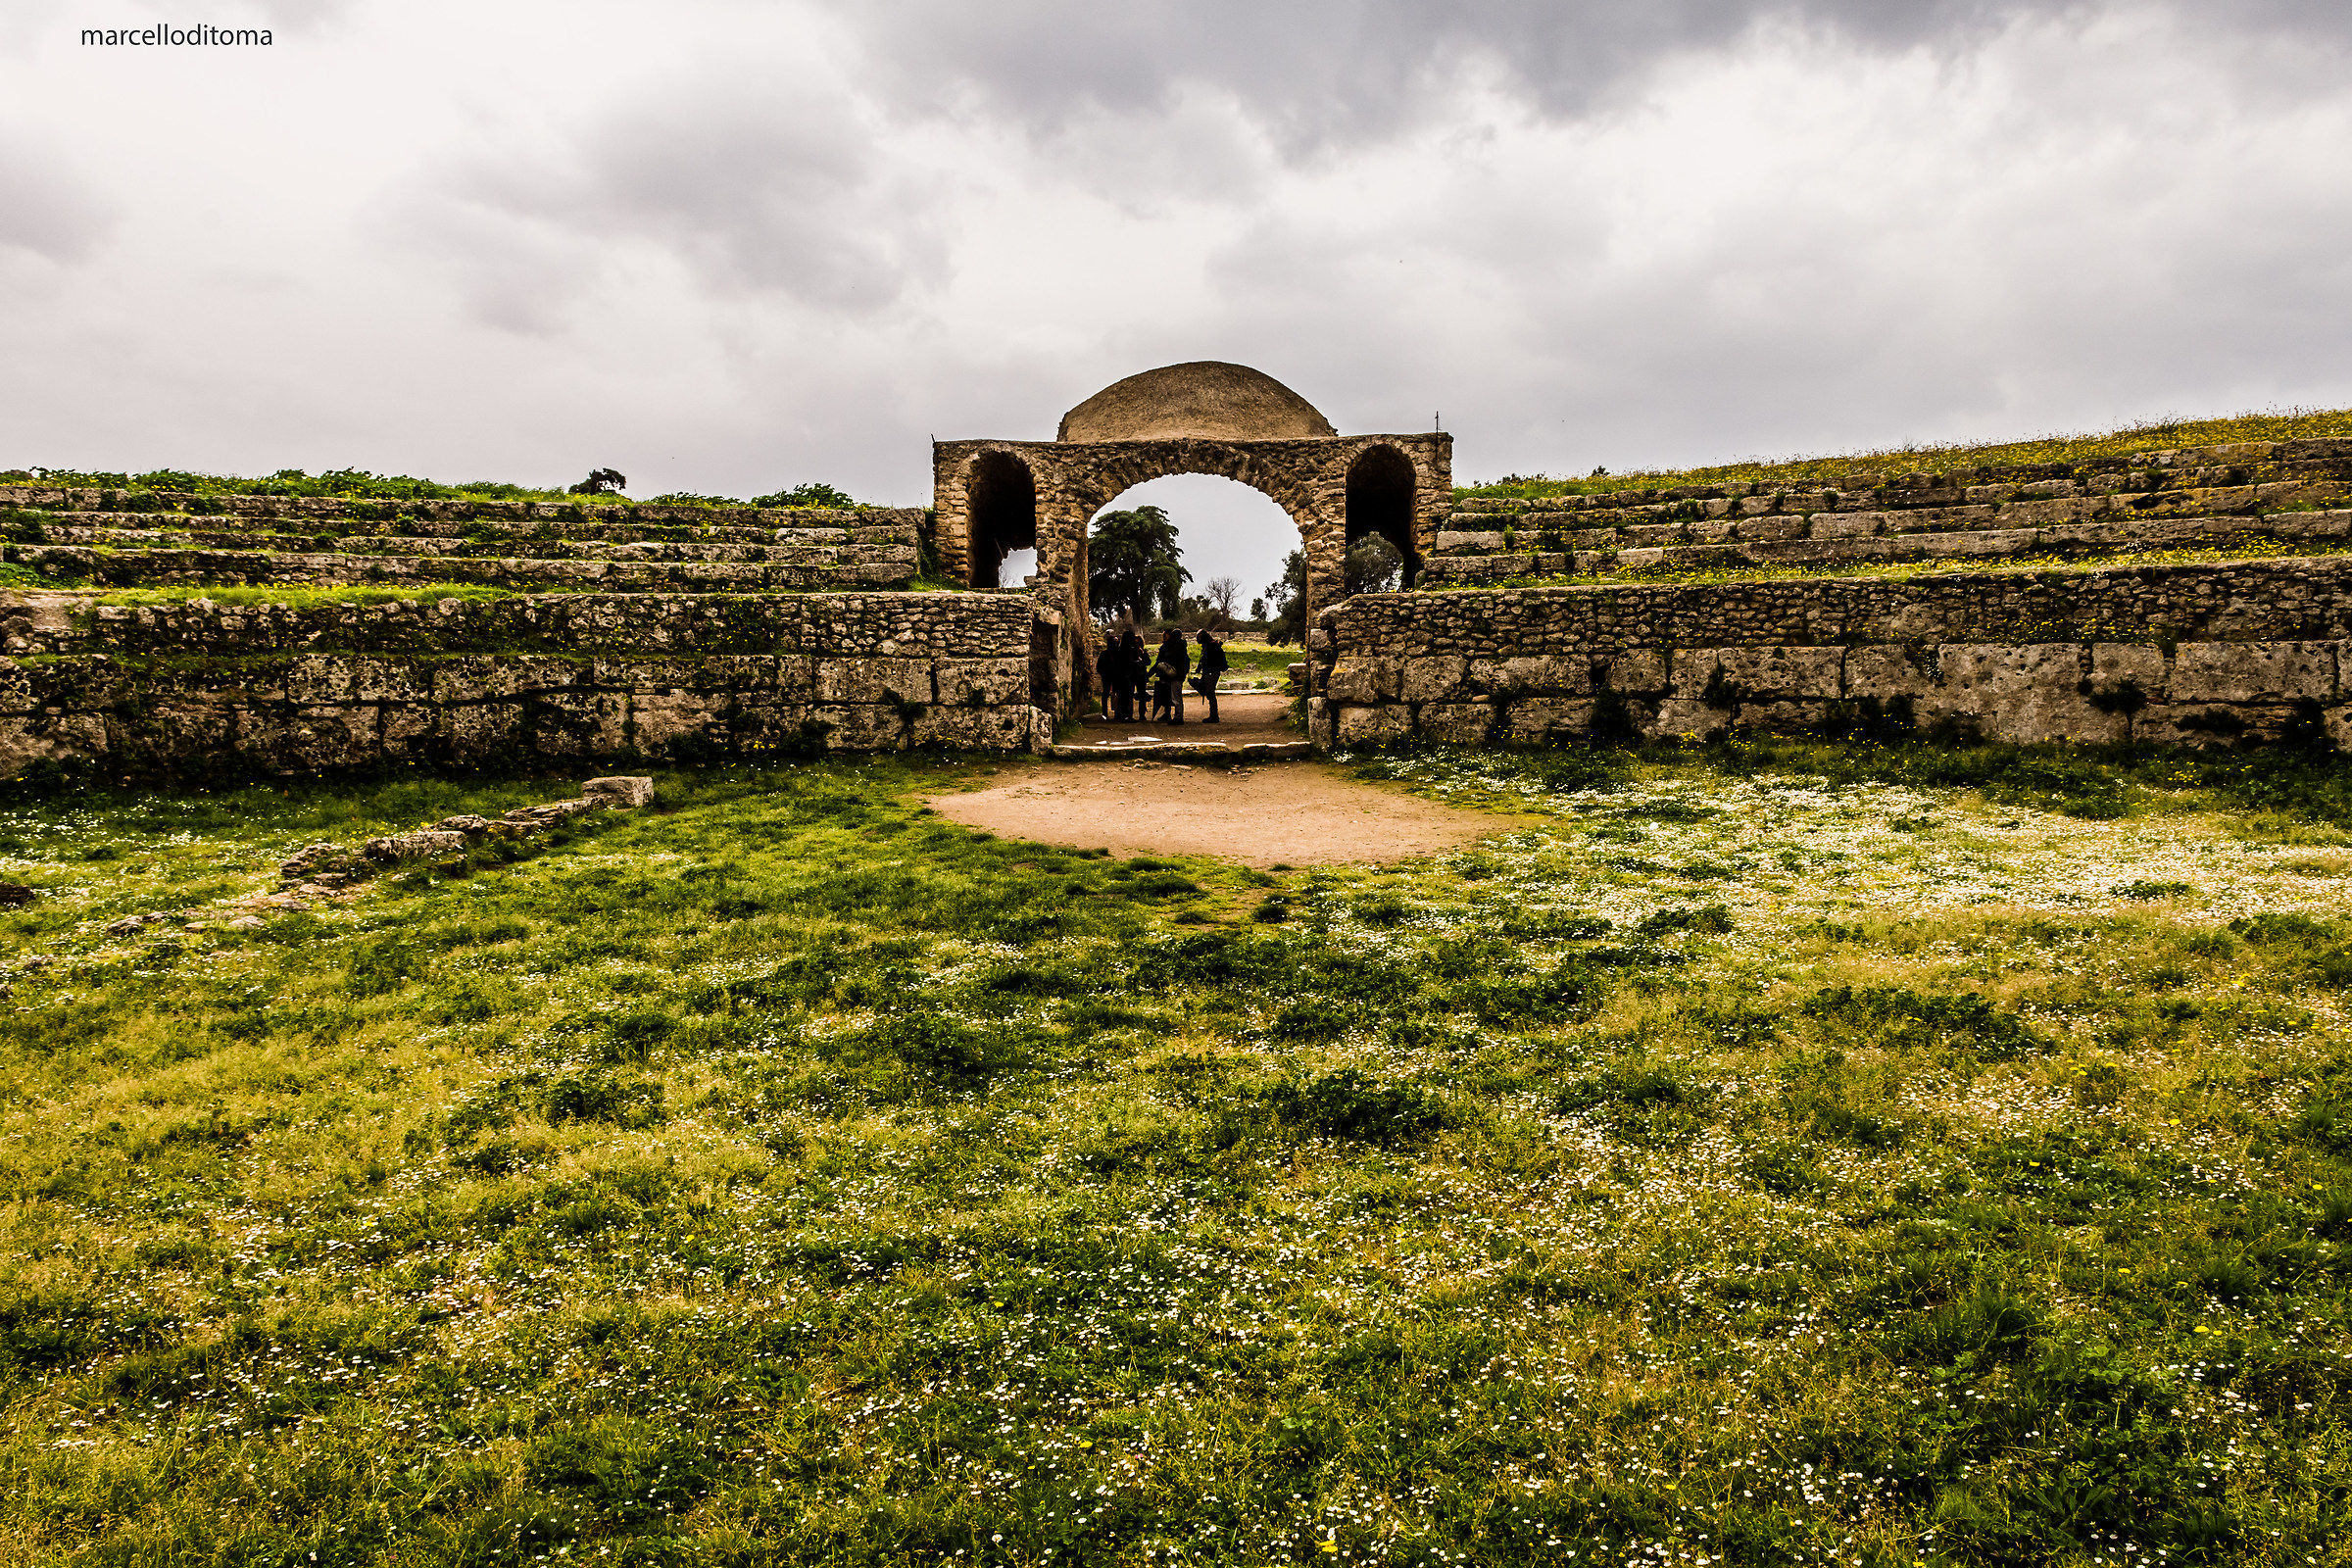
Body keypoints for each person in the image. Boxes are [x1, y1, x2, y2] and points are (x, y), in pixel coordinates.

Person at [1152, 628, 1191, 724]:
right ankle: (1176, 715)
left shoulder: (1171, 647)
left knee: (1175, 697)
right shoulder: (1181, 647)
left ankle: (1178, 717)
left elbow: (1162, 661)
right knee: (1175, 696)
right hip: (1179, 674)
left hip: (1174, 675)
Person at [1193, 629, 1228, 723]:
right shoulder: (1208, 646)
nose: (1198, 639)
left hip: (1212, 672)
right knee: (1209, 692)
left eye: (1199, 637)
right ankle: (1213, 715)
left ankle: (1214, 716)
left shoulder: (1212, 646)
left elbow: (1211, 660)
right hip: (1208, 672)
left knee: (1210, 692)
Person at [1119, 627, 1149, 721]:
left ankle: (1134, 714)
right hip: (1131, 674)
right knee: (1128, 695)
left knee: (1135, 695)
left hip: (1135, 674)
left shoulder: (1125, 649)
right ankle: (1128, 715)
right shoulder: (1128, 649)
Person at [1095, 635, 1123, 720]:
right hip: (1107, 677)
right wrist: (1104, 674)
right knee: (1105, 694)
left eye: (1117, 642)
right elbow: (1099, 666)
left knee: (1117, 694)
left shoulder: (1119, 653)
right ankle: (1105, 714)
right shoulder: (1104, 654)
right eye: (1114, 642)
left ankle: (1117, 713)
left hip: (1117, 677)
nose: (1115, 644)